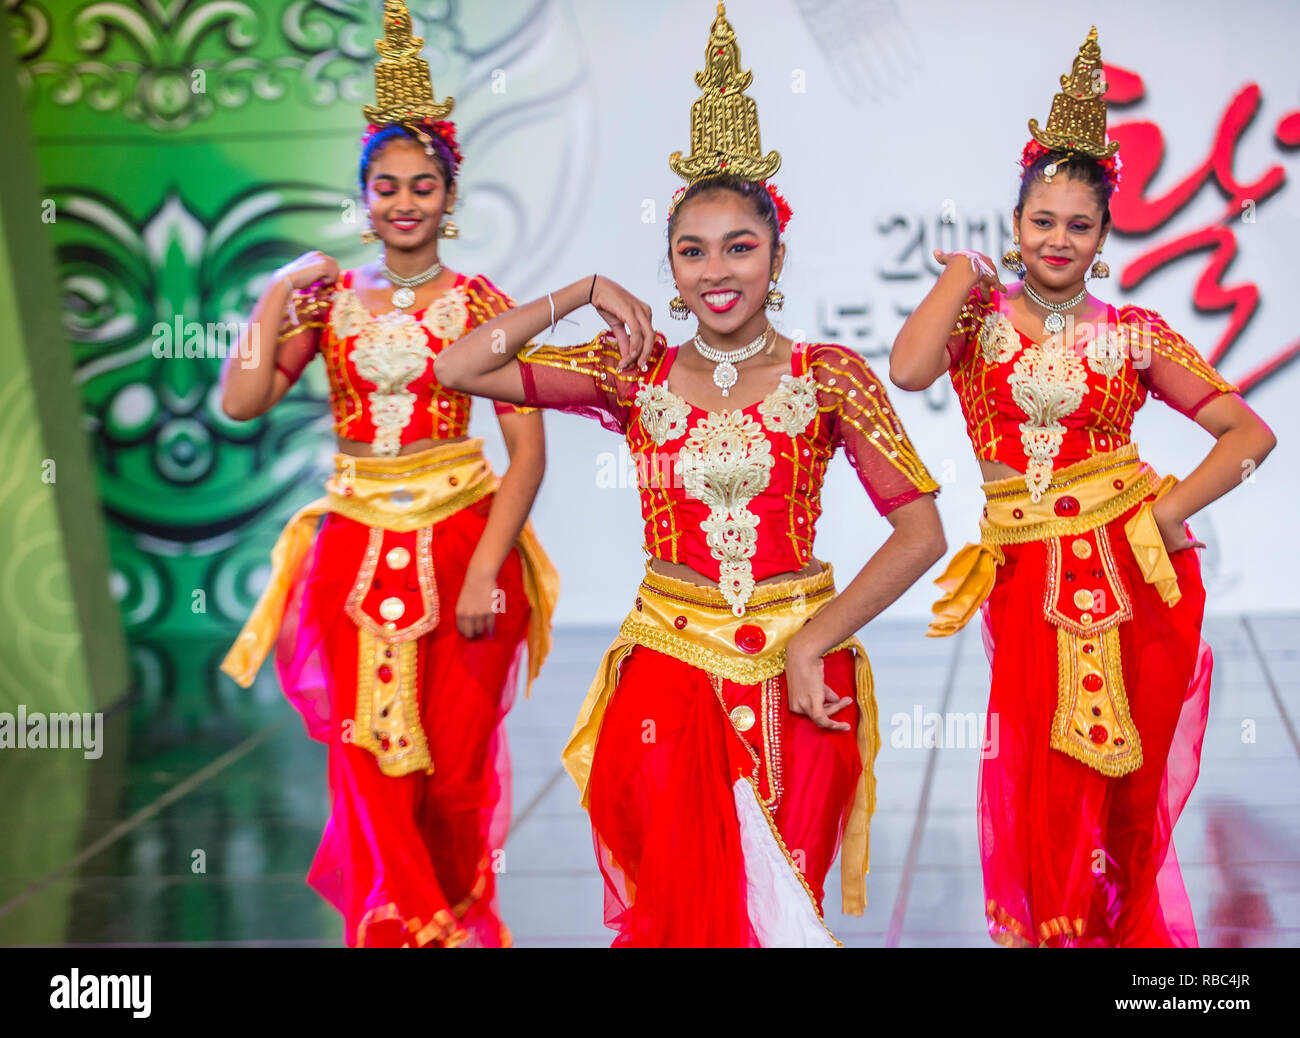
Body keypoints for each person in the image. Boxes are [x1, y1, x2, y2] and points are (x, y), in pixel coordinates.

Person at [434, 2, 946, 947]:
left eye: (740, 247)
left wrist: (810, 643)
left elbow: (922, 532)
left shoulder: (827, 374)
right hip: (668, 677)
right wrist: (582, 289)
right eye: (692, 249)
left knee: (781, 914)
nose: (717, 270)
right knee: (682, 918)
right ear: (668, 267)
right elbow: (459, 366)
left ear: (777, 257)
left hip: (804, 674)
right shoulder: (633, 372)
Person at [889, 27, 1276, 947]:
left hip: (1133, 571)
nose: (1058, 239)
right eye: (1041, 221)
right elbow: (907, 370)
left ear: (1106, 235)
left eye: (1079, 224)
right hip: (1027, 578)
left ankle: (1120, 946)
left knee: (1124, 786)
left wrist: (1168, 515)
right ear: (1014, 225)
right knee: (1037, 769)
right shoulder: (978, 318)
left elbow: (1248, 434)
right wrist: (957, 275)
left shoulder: (1133, 332)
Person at [218, 0, 559, 948]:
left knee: (453, 768)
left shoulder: (484, 303)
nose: (404, 203)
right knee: (368, 759)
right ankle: (404, 928)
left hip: (462, 539)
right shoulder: (326, 302)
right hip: (353, 549)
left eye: (422, 186)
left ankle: (453, 912)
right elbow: (239, 400)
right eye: (386, 186)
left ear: (451, 196)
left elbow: (528, 451)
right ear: (363, 197)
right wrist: (280, 287)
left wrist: (492, 566)